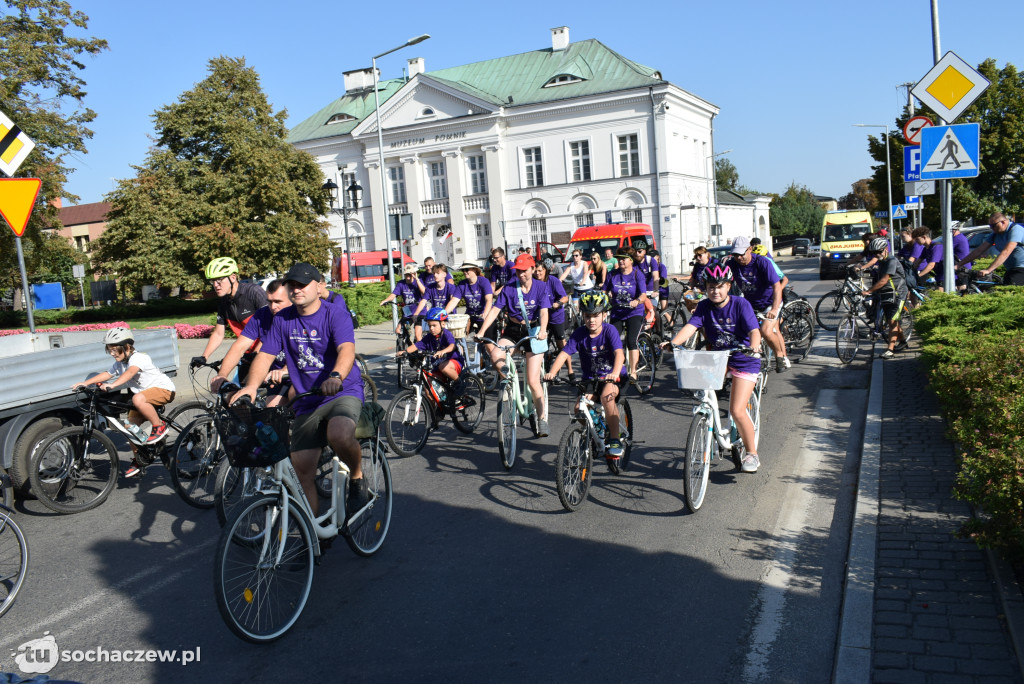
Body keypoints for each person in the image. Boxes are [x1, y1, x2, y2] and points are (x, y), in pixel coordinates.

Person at [232, 262, 366, 519]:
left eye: (302, 284)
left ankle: (358, 477)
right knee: (302, 469)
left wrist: (336, 375)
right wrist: (250, 386)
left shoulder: (334, 314)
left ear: (319, 286)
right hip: (308, 398)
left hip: (341, 390)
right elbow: (265, 355)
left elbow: (346, 349)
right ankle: (315, 536)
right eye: (292, 285)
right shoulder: (283, 318)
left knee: (339, 434)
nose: (296, 289)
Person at [668, 264, 764, 473]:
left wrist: (754, 345)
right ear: (705, 288)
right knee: (703, 395)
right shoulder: (703, 306)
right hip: (717, 357)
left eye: (720, 286)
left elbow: (754, 331)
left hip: (744, 358)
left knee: (737, 410)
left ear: (729, 286)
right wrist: (673, 343)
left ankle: (752, 454)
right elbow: (691, 326)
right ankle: (708, 424)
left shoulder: (741, 304)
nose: (715, 291)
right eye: (711, 286)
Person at [73, 327, 177, 477]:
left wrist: (113, 385)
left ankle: (158, 427)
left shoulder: (138, 358)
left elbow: (130, 372)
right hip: (143, 398)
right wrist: (85, 383)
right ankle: (140, 459)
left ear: (127, 347)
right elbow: (107, 374)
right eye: (110, 350)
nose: (113, 354)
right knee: (129, 427)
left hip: (163, 390)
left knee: (137, 398)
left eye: (116, 350)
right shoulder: (120, 363)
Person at [543, 291, 627, 467]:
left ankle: (614, 438)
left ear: (604, 314)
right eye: (588, 316)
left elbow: (619, 354)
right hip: (590, 379)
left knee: (606, 397)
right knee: (578, 409)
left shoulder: (609, 330)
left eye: (596, 315)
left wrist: (616, 372)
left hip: (612, 377)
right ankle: (593, 431)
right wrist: (552, 372)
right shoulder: (579, 333)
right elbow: (564, 353)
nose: (592, 320)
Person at [476, 253, 552, 437]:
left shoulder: (541, 287)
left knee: (534, 381)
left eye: (524, 271)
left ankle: (542, 419)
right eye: (518, 271)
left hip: (534, 331)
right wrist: (482, 332)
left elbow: (543, 312)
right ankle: (508, 378)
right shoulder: (510, 288)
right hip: (513, 330)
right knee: (495, 354)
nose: (521, 274)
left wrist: (543, 329)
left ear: (533, 269)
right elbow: (494, 311)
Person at [210, 279, 292, 407]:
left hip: (299, 374)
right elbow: (240, 346)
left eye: (278, 302)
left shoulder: (299, 316)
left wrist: (285, 369)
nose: (273, 307)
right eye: (270, 301)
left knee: (286, 406)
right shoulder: (262, 315)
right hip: (274, 376)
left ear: (292, 299)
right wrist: (222, 375)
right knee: (245, 404)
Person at [727, 236, 789, 372]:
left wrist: (773, 308)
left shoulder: (762, 262)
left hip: (770, 301)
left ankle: (780, 356)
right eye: (735, 255)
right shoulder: (732, 264)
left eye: (741, 254)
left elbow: (777, 286)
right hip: (750, 303)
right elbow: (723, 283)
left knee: (766, 330)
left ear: (749, 249)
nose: (738, 258)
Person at [193, 257, 268, 369]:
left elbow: (270, 328)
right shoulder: (224, 302)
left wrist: (256, 353)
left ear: (233, 277)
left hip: (267, 353)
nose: (216, 285)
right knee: (230, 384)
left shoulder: (254, 292)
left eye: (219, 280)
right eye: (213, 281)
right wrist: (204, 356)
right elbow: (219, 334)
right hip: (246, 354)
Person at [603, 247, 648, 379]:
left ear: (630, 260)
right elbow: (604, 291)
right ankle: (617, 367)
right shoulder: (613, 274)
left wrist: (637, 301)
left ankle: (633, 372)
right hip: (617, 311)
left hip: (634, 312)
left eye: (623, 258)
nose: (621, 261)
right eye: (619, 258)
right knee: (613, 341)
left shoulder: (637, 274)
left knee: (631, 340)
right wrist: (605, 302)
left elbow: (644, 295)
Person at [861, 237, 909, 360]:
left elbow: (884, 280)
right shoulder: (882, 262)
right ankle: (903, 341)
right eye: (874, 253)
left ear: (885, 249)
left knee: (892, 321)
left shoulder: (891, 261)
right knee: (891, 320)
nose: (877, 254)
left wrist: (869, 291)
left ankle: (890, 350)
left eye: (879, 252)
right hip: (887, 293)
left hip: (898, 293)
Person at [958, 212, 1024, 285]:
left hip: (1021, 268)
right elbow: (979, 250)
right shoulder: (995, 234)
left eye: (993, 225)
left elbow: (1006, 252)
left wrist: (988, 270)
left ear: (1003, 222)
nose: (992, 228)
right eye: (990, 226)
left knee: (1009, 290)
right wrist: (959, 265)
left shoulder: (1016, 229)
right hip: (1012, 269)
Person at [402, 307, 462, 383]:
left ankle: (459, 383)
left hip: (453, 363)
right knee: (429, 384)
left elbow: (452, 346)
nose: (431, 328)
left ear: (443, 324)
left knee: (444, 367)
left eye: (434, 325)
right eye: (429, 326)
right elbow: (417, 345)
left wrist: (442, 351)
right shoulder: (429, 337)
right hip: (438, 367)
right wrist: (405, 351)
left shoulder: (446, 334)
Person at [535, 259, 573, 380]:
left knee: (561, 344)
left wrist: (557, 304)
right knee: (539, 344)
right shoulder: (533, 282)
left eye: (540, 271)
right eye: (535, 271)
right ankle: (541, 370)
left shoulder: (553, 281)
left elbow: (565, 298)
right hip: (541, 318)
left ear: (545, 270)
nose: (537, 273)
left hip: (555, 316)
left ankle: (571, 372)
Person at [380, 263, 425, 338]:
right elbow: (393, 294)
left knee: (417, 334)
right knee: (398, 330)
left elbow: (424, 292)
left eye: (410, 274)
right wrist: (385, 300)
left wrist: (416, 279)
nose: (408, 277)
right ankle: (408, 343)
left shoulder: (418, 281)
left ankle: (420, 348)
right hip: (408, 312)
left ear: (414, 274)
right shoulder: (401, 283)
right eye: (406, 274)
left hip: (419, 311)